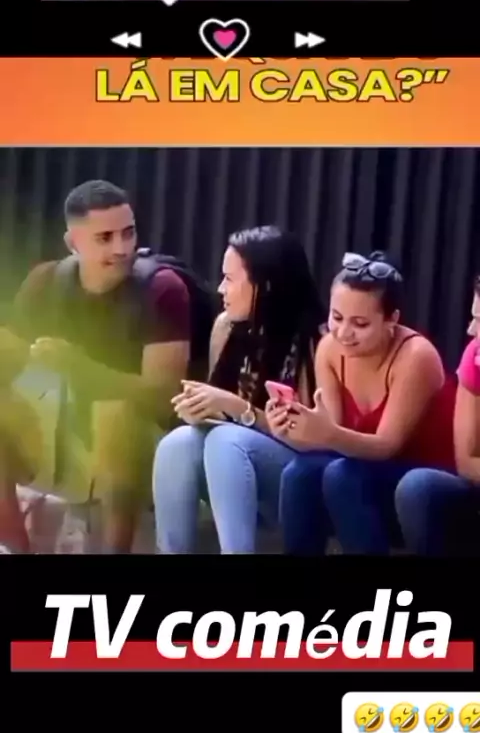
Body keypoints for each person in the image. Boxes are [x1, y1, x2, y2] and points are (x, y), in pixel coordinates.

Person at [0, 180, 195, 554]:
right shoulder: (46, 281)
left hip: (142, 448)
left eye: (128, 232)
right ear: (73, 243)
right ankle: (14, 549)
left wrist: (81, 368)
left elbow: (165, 396)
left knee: (114, 416)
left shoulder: (162, 289)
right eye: (105, 238)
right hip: (58, 431)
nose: (122, 248)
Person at [267, 251, 456, 555]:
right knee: (300, 473)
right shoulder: (329, 349)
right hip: (364, 469)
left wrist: (327, 434)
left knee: (342, 475)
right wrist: (293, 429)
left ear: (392, 319)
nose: (344, 333)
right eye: (336, 317)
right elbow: (335, 435)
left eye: (360, 323)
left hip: (426, 481)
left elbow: (386, 446)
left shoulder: (416, 356)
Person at [153, 225, 325, 554]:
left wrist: (239, 409)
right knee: (177, 443)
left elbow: (312, 440)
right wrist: (201, 409)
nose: (220, 289)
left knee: (226, 440)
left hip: (296, 477)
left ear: (266, 284)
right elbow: (222, 410)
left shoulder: (314, 341)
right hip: (231, 466)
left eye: (230, 279)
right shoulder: (225, 327)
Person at [395, 275, 480, 555]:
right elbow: (467, 462)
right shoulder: (475, 356)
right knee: (418, 487)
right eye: (473, 317)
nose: (471, 330)